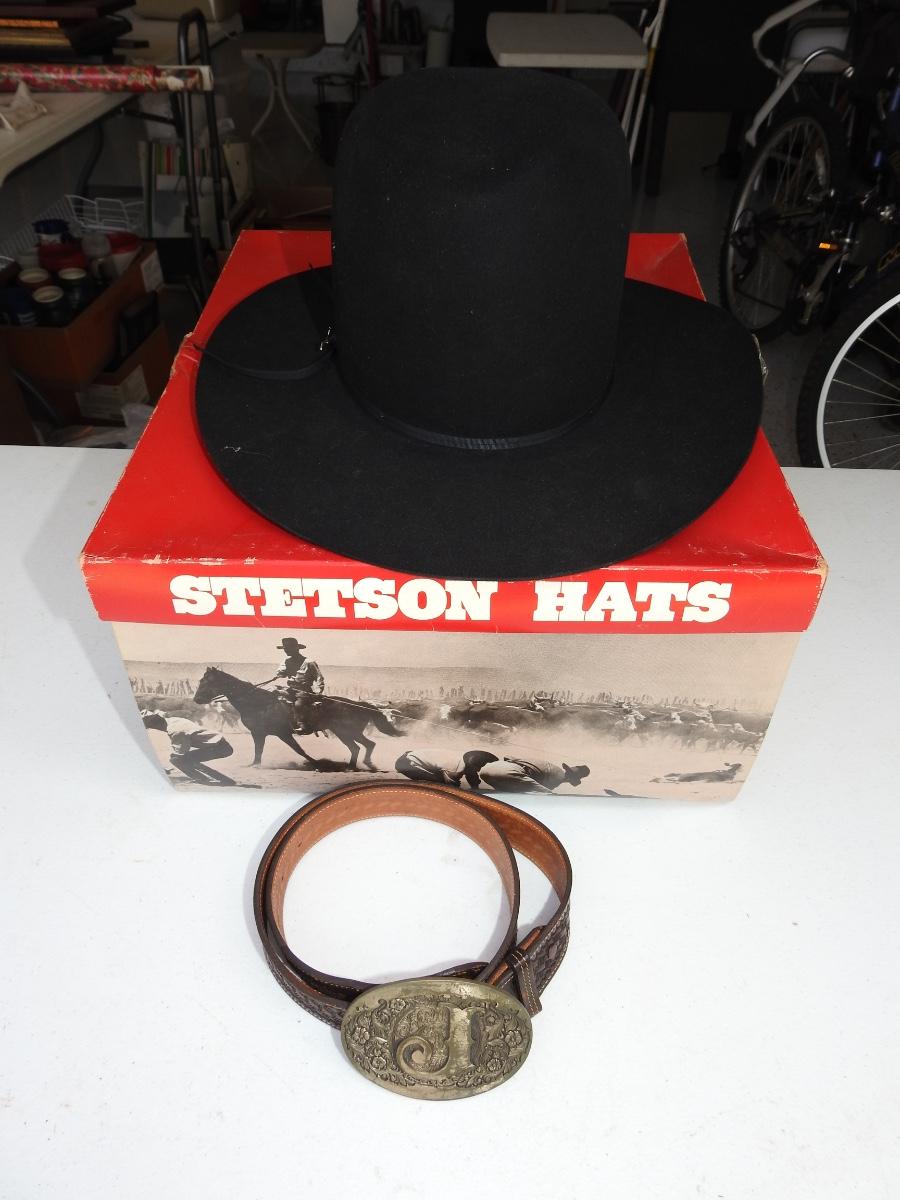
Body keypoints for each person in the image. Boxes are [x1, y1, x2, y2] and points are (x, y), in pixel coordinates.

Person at [141, 710, 237, 786]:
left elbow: (180, 752)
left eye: (151, 727)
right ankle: (216, 779)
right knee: (186, 759)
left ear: (156, 725)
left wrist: (165, 767)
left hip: (221, 748)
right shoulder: (174, 720)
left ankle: (206, 779)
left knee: (176, 760)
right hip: (221, 744)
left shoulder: (175, 730)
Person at [395, 748, 499, 790]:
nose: (479, 770)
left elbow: (471, 775)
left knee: (441, 777)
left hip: (413, 755)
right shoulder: (455, 769)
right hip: (406, 764)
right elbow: (452, 787)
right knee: (440, 785)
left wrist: (475, 787)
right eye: (479, 768)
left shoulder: (466, 758)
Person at [475, 756, 590, 794]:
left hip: (487, 770)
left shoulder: (551, 767)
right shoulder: (559, 776)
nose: (568, 782)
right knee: (549, 794)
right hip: (510, 772)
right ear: (570, 777)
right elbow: (541, 790)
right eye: (571, 779)